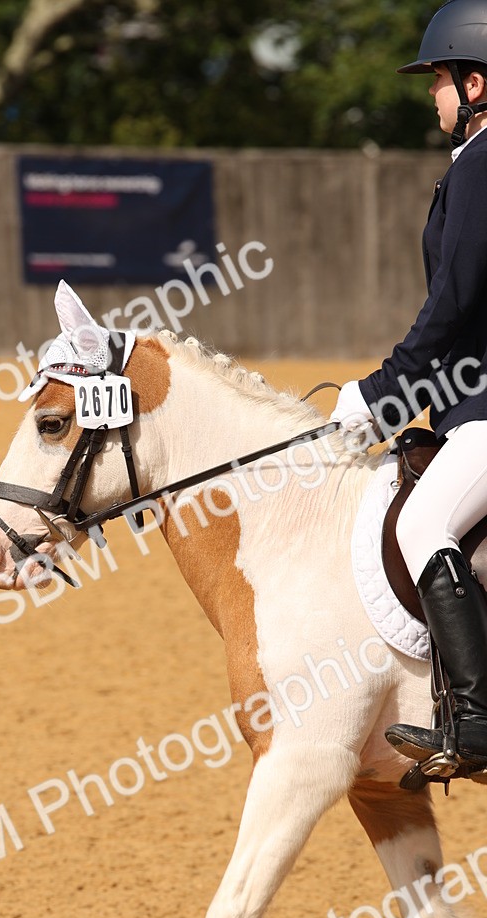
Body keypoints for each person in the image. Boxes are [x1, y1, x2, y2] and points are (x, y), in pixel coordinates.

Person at [329, 0, 487, 772]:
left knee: (421, 524)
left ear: (477, 83)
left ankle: (480, 721)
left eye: (440, 79)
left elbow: (451, 308)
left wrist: (377, 397)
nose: (432, 93)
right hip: (469, 404)